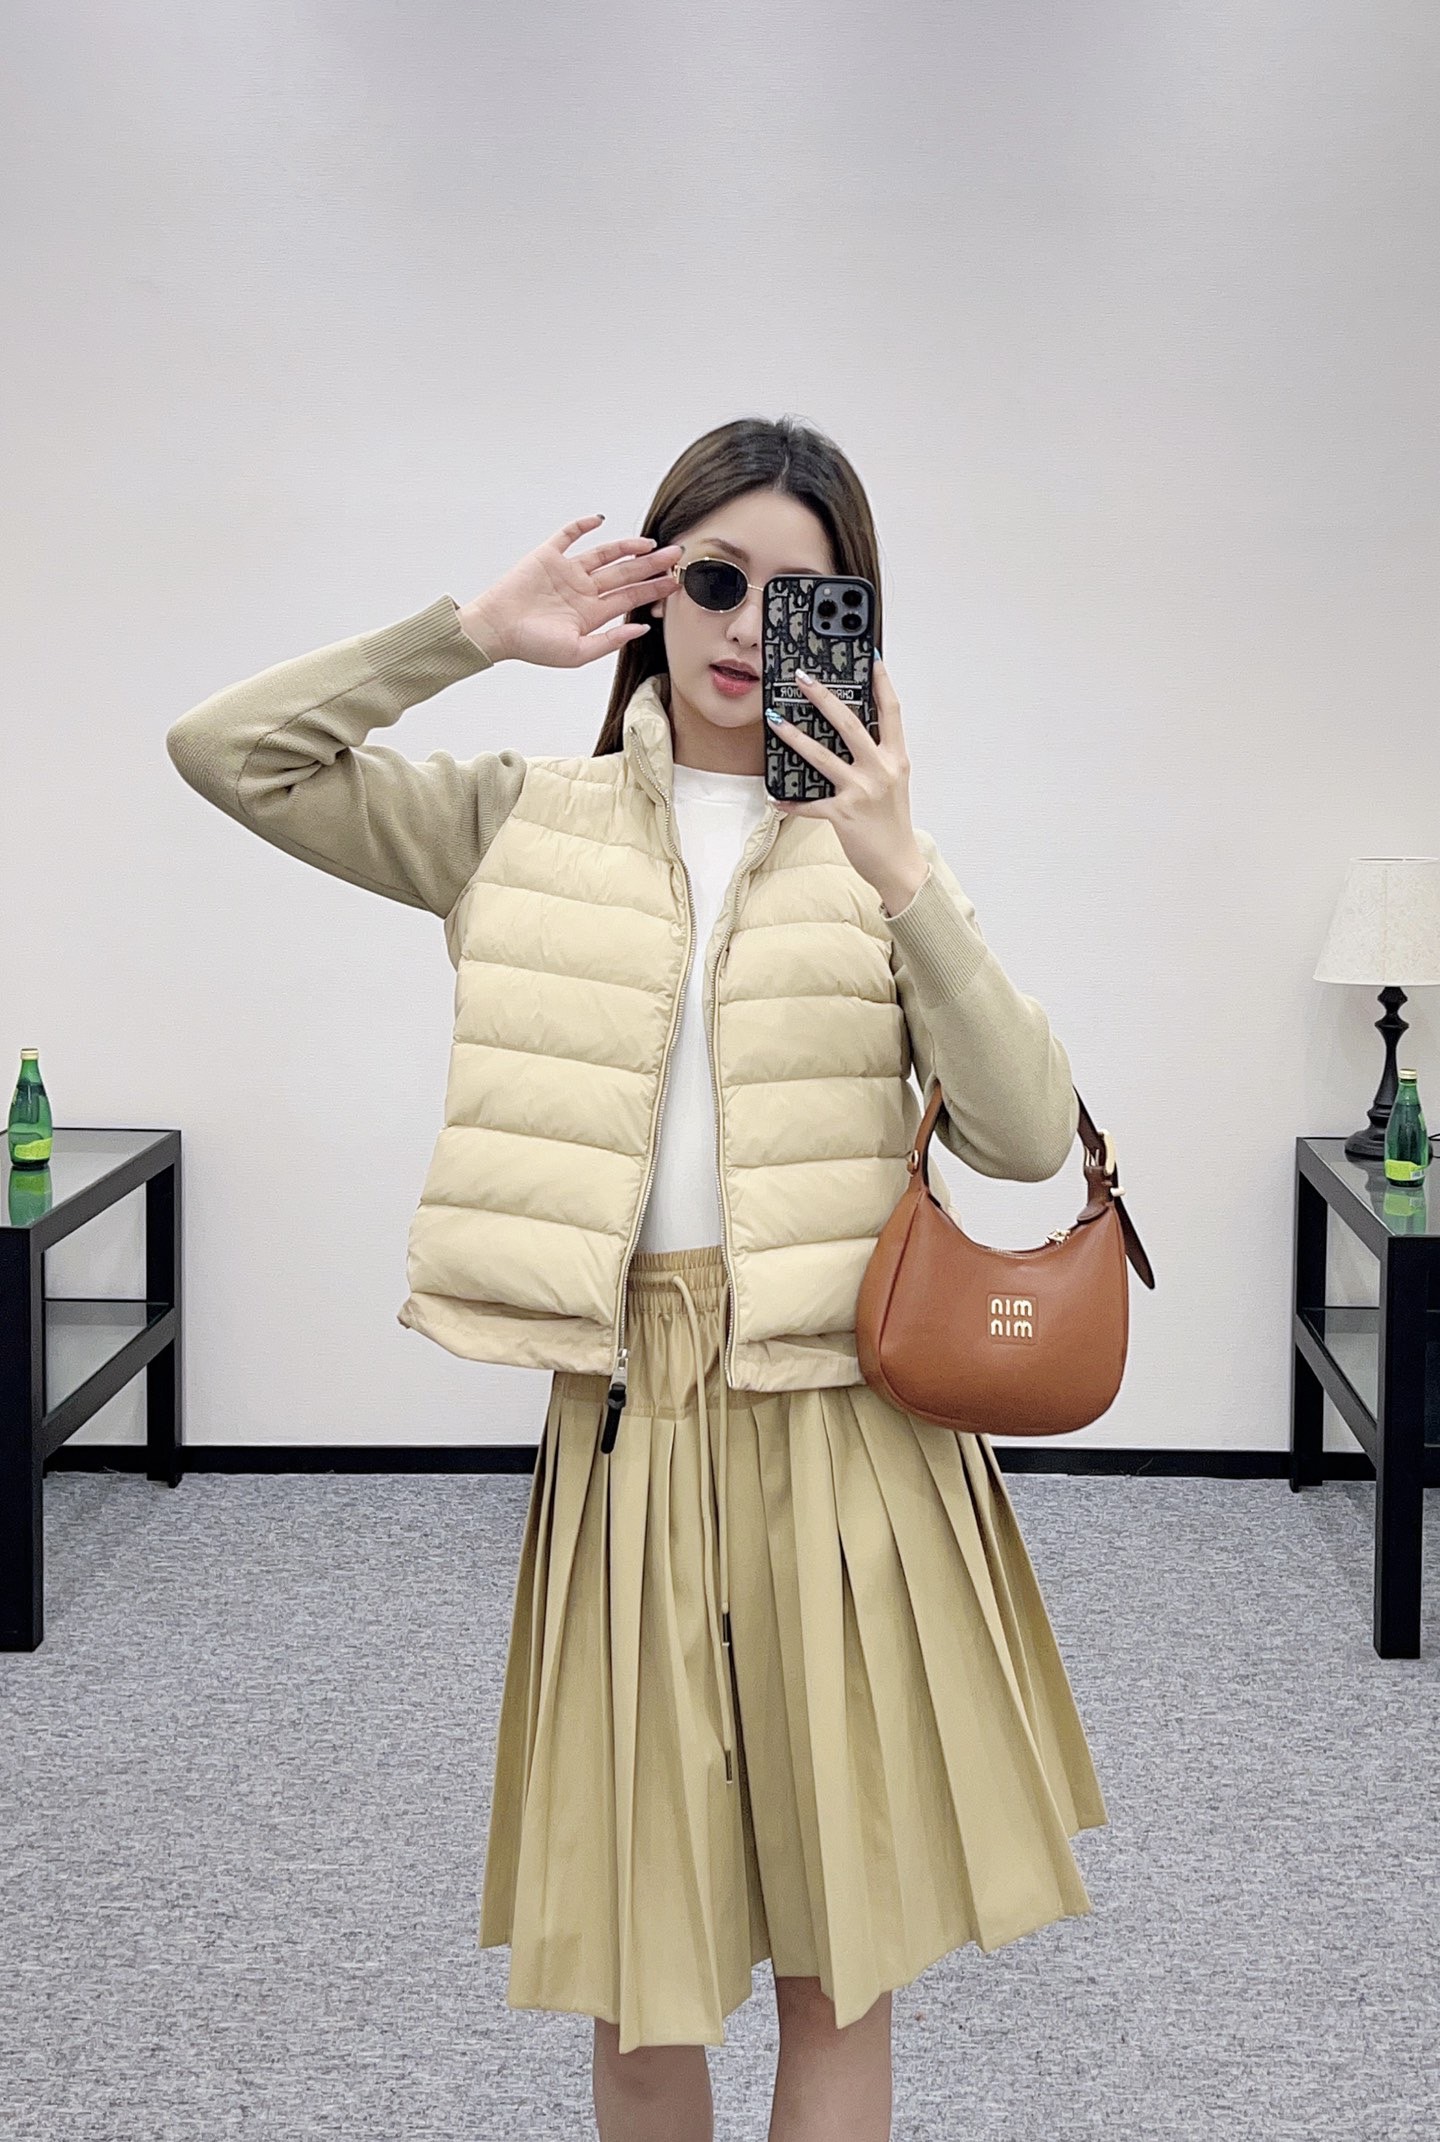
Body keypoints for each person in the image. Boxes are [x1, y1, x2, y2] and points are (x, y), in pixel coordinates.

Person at [166, 414, 1108, 2142]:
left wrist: (904, 870)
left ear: (856, 625)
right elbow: (227, 752)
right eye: (716, 578)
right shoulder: (515, 821)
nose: (748, 627)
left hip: (850, 1437)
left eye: (801, 597)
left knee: (840, 1966)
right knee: (640, 1969)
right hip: (628, 1432)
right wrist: (469, 632)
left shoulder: (879, 863)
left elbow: (1029, 1133)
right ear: (654, 591)